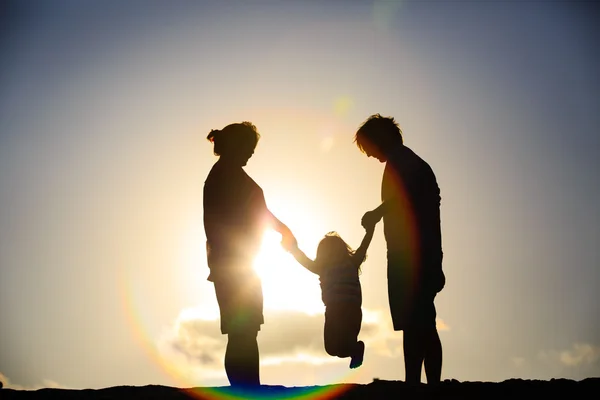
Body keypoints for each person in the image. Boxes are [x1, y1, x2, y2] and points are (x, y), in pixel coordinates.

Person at [355, 114, 445, 385]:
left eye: (368, 148)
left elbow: (406, 195)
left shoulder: (405, 163)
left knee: (421, 321)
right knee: (418, 321)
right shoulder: (405, 162)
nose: (369, 155)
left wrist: (376, 213)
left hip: (414, 256)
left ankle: (422, 385)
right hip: (414, 254)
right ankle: (416, 383)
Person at [203, 122, 291, 387]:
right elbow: (221, 223)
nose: (251, 153)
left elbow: (258, 213)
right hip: (234, 265)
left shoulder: (230, 175)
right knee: (242, 331)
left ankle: (249, 387)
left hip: (243, 264)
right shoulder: (224, 176)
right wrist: (282, 230)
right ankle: (246, 389)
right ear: (235, 145)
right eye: (248, 147)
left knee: (246, 330)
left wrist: (282, 230)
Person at [282, 223, 375, 369]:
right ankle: (355, 349)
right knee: (334, 348)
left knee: (337, 347)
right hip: (343, 311)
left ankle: (355, 349)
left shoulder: (340, 265)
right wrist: (371, 229)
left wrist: (293, 249)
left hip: (343, 311)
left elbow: (304, 260)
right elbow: (304, 260)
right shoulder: (335, 265)